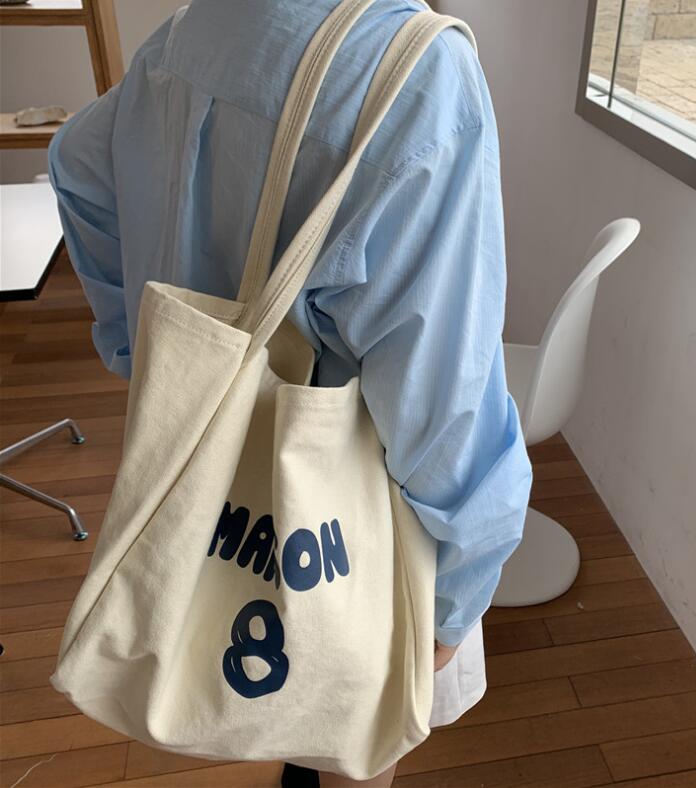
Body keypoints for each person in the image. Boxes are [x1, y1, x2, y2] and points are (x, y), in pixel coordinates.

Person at [48, 1, 532, 785]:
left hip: (200, 478)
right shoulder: (419, 72)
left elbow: (75, 162)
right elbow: (445, 408)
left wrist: (143, 355)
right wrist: (458, 598)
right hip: (362, 511)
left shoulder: (191, 31)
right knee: (352, 726)